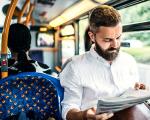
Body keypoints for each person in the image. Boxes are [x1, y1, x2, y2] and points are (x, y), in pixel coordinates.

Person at [59, 5, 145, 120]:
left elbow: (131, 94)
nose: (115, 45)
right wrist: (85, 116)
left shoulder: (129, 61)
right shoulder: (75, 66)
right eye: (108, 40)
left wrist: (137, 91)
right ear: (92, 36)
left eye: (118, 37)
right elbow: (68, 110)